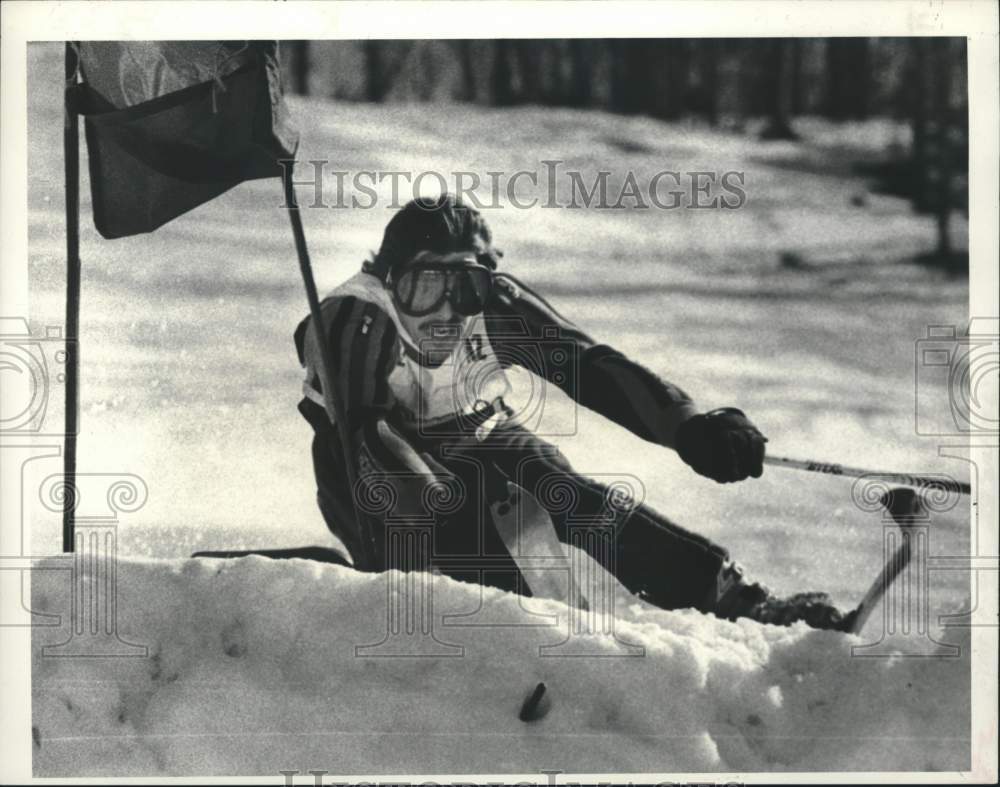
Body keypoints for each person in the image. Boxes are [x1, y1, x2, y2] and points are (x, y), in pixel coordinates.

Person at [294, 194, 850, 630]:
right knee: (446, 534)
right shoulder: (356, 317)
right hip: (366, 457)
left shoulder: (497, 309)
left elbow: (593, 369)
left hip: (478, 432)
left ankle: (735, 599)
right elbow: (368, 436)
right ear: (390, 278)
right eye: (423, 285)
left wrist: (690, 426)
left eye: (466, 287)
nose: (445, 310)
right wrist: (445, 539)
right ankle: (461, 616)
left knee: (572, 495)